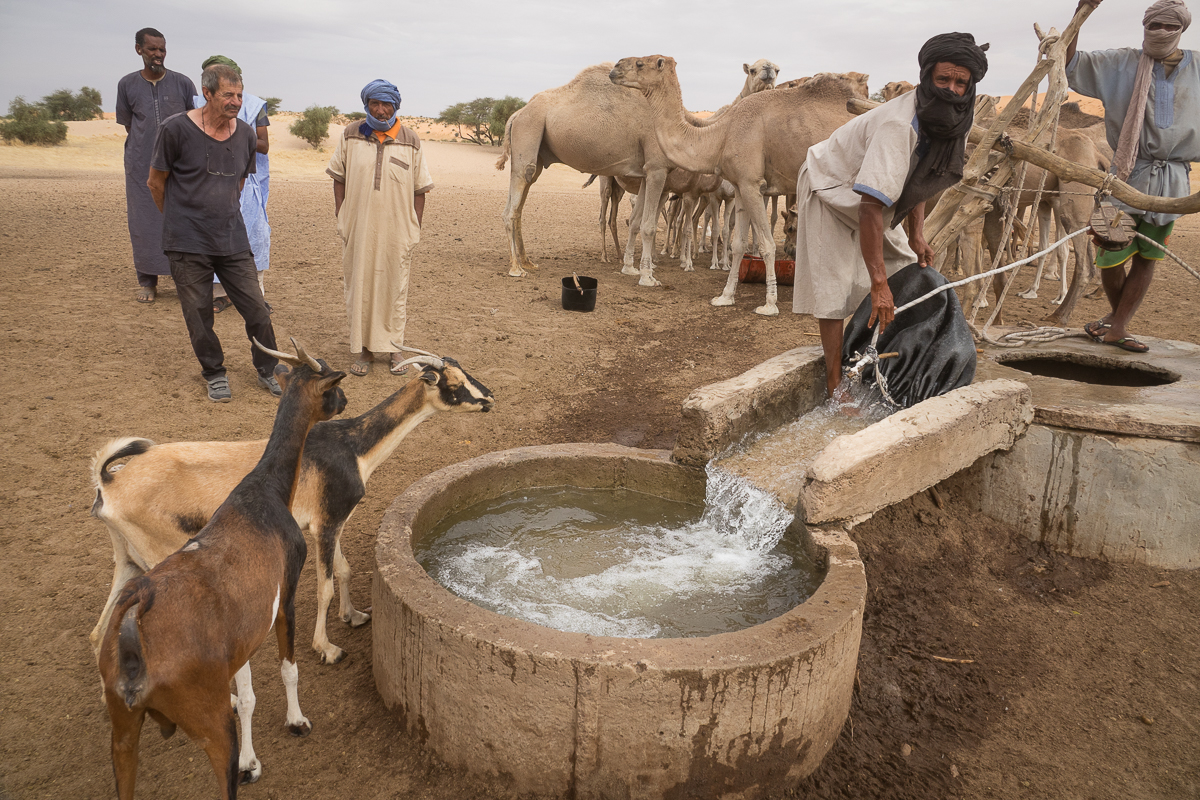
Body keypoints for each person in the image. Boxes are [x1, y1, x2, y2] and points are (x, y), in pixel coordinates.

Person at [791, 33, 989, 397]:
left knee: (905, 270)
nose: (952, 88)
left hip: (877, 196)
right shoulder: (898, 125)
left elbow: (920, 178)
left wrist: (917, 235)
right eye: (943, 79)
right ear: (927, 76)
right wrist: (878, 285)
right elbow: (869, 206)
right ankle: (835, 386)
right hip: (832, 183)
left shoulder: (953, 120)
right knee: (832, 287)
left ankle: (883, 363)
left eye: (961, 82)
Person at [1069, 0, 1199, 353]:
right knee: (1110, 251)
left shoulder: (1198, 65)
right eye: (1153, 26)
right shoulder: (1118, 63)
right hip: (1124, 174)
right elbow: (1069, 63)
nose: (1159, 33)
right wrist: (1080, 15)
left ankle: (1116, 325)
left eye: (1168, 27)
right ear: (1144, 27)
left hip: (1173, 181)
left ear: (1181, 29)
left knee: (1147, 257)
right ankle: (1116, 324)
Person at [148, 64, 281, 403]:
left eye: (239, 95)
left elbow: (238, 183)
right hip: (187, 242)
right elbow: (155, 181)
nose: (235, 101)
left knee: (256, 309)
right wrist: (179, 221)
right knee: (199, 314)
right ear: (207, 93)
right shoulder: (175, 129)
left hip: (232, 238)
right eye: (227, 95)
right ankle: (214, 372)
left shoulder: (247, 135)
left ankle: (267, 368)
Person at [326, 79, 433, 376]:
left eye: (387, 104)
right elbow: (339, 177)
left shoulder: (410, 139)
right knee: (359, 287)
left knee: (394, 288)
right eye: (375, 103)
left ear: (395, 107)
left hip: (397, 230)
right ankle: (363, 350)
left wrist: (414, 226)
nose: (381, 110)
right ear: (367, 105)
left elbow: (420, 189)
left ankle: (394, 349)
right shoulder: (351, 135)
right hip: (359, 228)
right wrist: (342, 214)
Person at [116, 27, 196, 304]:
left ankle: (183, 280)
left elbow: (194, 121)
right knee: (143, 221)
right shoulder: (126, 85)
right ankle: (147, 280)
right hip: (140, 163)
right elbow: (129, 124)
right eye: (152, 49)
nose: (158, 54)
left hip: (180, 166)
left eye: (162, 49)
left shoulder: (183, 83)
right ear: (139, 49)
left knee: (180, 221)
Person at [192, 55, 272, 315]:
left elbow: (264, 145)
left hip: (246, 182)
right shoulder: (193, 107)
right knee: (213, 235)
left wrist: (237, 134)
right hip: (207, 180)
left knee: (254, 235)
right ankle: (219, 295)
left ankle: (256, 294)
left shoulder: (254, 106)